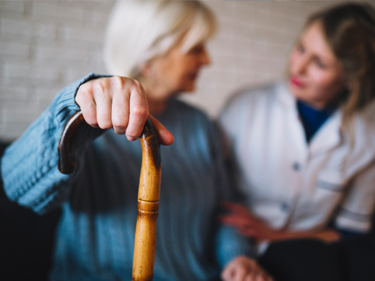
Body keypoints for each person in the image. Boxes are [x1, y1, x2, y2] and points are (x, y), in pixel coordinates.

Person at [1, 1, 273, 280]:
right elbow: (17, 187)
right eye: (195, 48)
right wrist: (74, 112)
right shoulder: (90, 121)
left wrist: (237, 257)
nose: (207, 60)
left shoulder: (201, 125)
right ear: (151, 55)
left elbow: (223, 212)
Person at [219, 2, 375, 281]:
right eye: (301, 48)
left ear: (350, 78)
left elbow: (351, 230)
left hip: (312, 247)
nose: (298, 66)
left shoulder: (367, 140)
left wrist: (274, 235)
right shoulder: (244, 106)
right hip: (241, 245)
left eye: (319, 63)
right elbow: (208, 184)